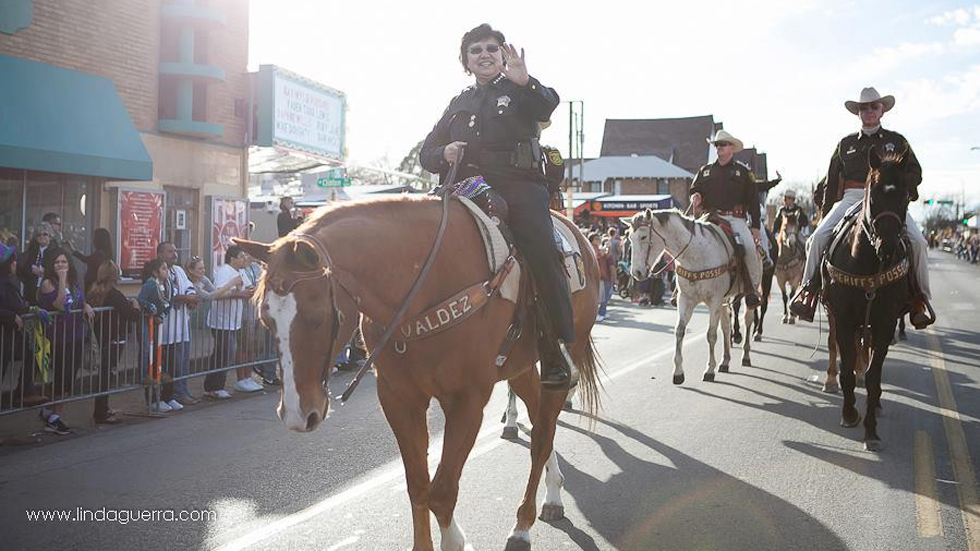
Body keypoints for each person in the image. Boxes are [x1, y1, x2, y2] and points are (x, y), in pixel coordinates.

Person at [418, 23, 576, 390]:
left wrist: (524, 80)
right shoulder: (458, 103)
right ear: (466, 61)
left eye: (492, 48)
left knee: (541, 249)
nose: (485, 54)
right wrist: (445, 151)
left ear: (503, 55)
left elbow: (547, 104)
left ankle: (554, 348)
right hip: (465, 187)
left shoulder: (521, 91)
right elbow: (427, 152)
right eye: (476, 50)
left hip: (518, 186)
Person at [790, 87, 933, 329]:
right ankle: (808, 292)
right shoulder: (844, 144)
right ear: (858, 112)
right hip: (850, 197)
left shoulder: (897, 141)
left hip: (886, 201)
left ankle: (920, 299)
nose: (869, 111)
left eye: (873, 106)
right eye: (863, 107)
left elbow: (915, 171)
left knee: (919, 242)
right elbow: (831, 182)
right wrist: (825, 215)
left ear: (882, 110)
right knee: (816, 239)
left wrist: (899, 190)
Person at [689, 129, 764, 309]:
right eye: (717, 145)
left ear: (731, 148)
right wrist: (696, 195)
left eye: (722, 145)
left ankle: (751, 289)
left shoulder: (743, 172)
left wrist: (755, 227)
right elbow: (694, 188)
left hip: (735, 220)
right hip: (710, 217)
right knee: (691, 241)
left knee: (749, 248)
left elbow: (754, 200)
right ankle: (683, 287)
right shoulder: (705, 171)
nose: (719, 148)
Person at [36, 248, 95, 434]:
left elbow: (80, 300)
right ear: (51, 266)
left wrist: (86, 305)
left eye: (64, 262)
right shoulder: (48, 283)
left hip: (77, 334)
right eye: (57, 263)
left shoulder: (75, 282)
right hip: (60, 337)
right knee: (63, 378)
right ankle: (54, 419)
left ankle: (50, 412)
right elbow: (60, 305)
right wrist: (61, 279)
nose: (61, 265)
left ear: (70, 264)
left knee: (70, 377)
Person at [86, 260, 141, 424]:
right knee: (106, 375)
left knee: (104, 375)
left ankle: (103, 408)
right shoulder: (114, 294)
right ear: (114, 276)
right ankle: (100, 413)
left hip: (101, 338)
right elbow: (131, 315)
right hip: (113, 339)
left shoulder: (94, 290)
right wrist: (136, 306)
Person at [203, 246, 261, 398]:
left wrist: (253, 291)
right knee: (223, 354)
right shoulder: (225, 272)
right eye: (241, 256)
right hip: (221, 321)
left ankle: (215, 386)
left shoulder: (241, 272)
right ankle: (214, 387)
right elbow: (219, 293)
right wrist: (239, 294)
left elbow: (248, 288)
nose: (244, 259)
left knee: (225, 353)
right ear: (232, 259)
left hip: (234, 320)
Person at [0, 244, 44, 409]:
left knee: (30, 352)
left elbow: (16, 304)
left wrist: (31, 309)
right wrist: (11, 316)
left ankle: (25, 391)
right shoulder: (3, 284)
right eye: (13, 263)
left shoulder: (8, 283)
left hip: (10, 337)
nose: (15, 265)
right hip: (5, 337)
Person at [156, 242, 199, 405]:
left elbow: (189, 287)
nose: (174, 254)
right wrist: (185, 298)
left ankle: (182, 391)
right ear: (160, 254)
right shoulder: (157, 271)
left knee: (182, 362)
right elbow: (164, 295)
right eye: (170, 251)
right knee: (169, 364)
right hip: (167, 327)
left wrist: (191, 298)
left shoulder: (179, 270)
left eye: (175, 250)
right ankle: (170, 395)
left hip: (182, 325)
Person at [138, 257, 177, 413]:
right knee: (147, 350)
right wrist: (151, 310)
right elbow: (141, 300)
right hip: (147, 322)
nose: (166, 271)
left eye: (167, 268)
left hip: (158, 322)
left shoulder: (168, 285)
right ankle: (144, 375)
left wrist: (162, 316)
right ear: (155, 272)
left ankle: (162, 394)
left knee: (159, 352)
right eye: (163, 268)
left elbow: (169, 304)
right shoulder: (150, 283)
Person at [17, 222, 54, 305]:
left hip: (48, 291)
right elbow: (21, 269)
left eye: (45, 234)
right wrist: (31, 270)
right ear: (36, 238)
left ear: (50, 236)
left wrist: (45, 272)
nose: (42, 236)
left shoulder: (56, 252)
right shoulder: (31, 252)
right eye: (39, 235)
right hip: (32, 292)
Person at [73, 228, 113, 292]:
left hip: (93, 286)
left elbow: (87, 260)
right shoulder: (105, 253)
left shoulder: (99, 255)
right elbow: (87, 259)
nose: (93, 240)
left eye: (94, 237)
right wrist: (73, 251)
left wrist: (73, 251)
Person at [593, 235, 616, 322]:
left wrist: (608, 248)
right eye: (596, 239)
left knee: (604, 297)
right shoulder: (594, 250)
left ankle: (603, 312)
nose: (598, 240)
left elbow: (606, 256)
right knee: (603, 297)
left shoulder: (600, 251)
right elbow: (601, 256)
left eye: (598, 239)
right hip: (601, 277)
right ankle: (601, 313)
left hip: (604, 276)